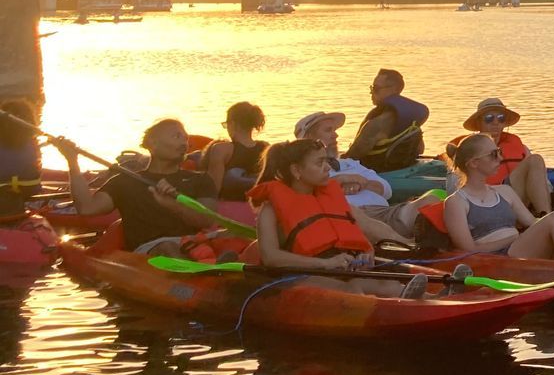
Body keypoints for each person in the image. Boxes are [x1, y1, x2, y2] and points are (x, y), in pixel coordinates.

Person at [250, 138, 431, 297]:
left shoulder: (328, 199)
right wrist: (325, 264)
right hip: (299, 274)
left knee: (386, 284)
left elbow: (367, 226)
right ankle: (402, 307)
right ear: (296, 170)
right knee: (352, 289)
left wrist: (366, 254)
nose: (328, 167)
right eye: (319, 162)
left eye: (327, 160)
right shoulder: (271, 210)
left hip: (339, 268)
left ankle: (433, 297)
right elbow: (271, 257)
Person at [440, 132, 554, 262]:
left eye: (500, 152)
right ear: (474, 163)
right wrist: (510, 239)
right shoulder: (457, 202)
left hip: (520, 246)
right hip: (501, 256)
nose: (500, 158)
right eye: (493, 154)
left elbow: (531, 222)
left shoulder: (504, 192)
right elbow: (466, 249)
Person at [57, 119, 220, 256]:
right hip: (153, 250)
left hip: (195, 243)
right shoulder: (126, 181)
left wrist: (174, 206)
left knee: (229, 237)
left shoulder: (200, 180)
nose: (185, 143)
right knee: (168, 248)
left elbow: (205, 220)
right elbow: (86, 208)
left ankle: (220, 267)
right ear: (153, 144)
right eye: (177, 136)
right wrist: (72, 161)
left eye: (185, 138)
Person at [294, 110, 416, 244]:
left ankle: (430, 247)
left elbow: (386, 189)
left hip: (385, 212)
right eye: (328, 130)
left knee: (430, 200)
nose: (335, 135)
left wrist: (359, 182)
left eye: (334, 130)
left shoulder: (349, 164)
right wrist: (341, 180)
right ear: (309, 137)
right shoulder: (303, 170)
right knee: (355, 213)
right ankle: (409, 247)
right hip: (351, 219)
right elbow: (308, 194)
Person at [460, 97, 551, 216]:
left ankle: (547, 216)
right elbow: (458, 185)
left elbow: (544, 183)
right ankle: (547, 218)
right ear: (478, 123)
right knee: (535, 159)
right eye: (489, 118)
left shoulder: (520, 147)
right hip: (490, 200)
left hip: (521, 199)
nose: (495, 122)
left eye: (501, 118)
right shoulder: (469, 149)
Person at [343, 69, 428, 173]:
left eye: (376, 88)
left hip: (380, 172)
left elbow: (351, 157)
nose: (371, 92)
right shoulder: (409, 117)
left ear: (394, 89)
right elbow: (420, 149)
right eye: (372, 87)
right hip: (406, 167)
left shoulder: (377, 124)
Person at [197, 101, 267, 202]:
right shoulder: (266, 147)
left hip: (229, 209)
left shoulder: (221, 150)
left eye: (226, 124)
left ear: (232, 124)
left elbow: (212, 190)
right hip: (258, 208)